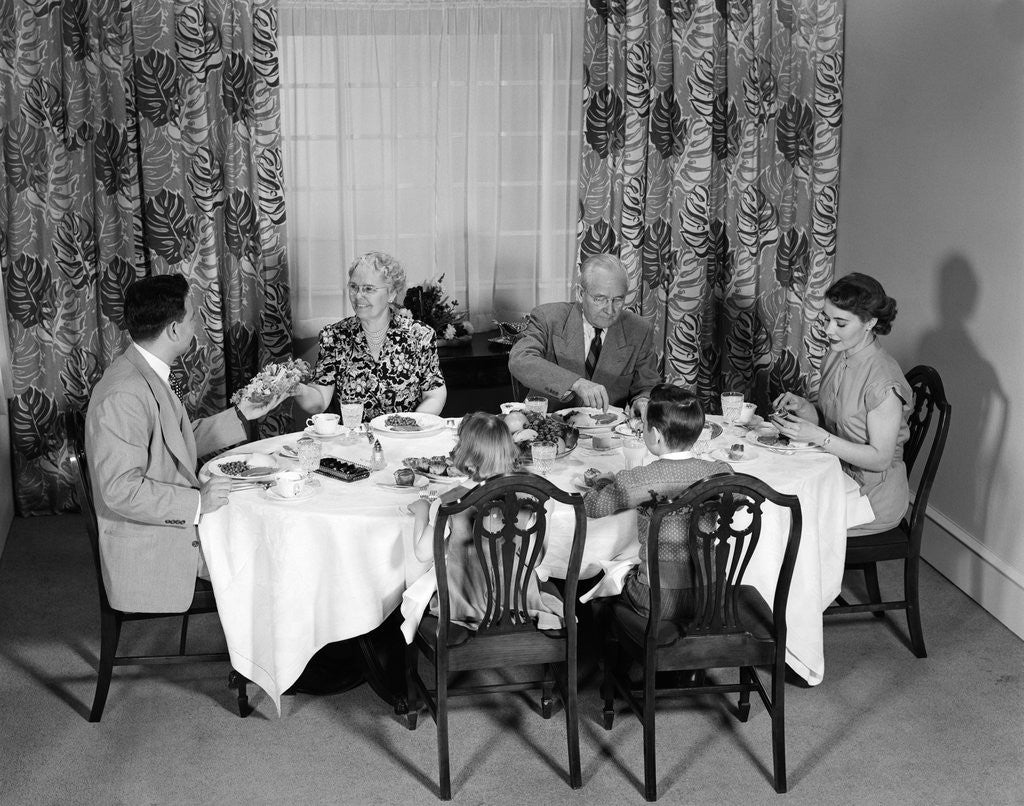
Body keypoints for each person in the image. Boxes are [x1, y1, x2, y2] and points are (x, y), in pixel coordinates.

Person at [85, 274, 286, 613]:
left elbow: (175, 438)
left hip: (167, 523)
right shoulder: (124, 394)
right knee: (275, 557)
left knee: (272, 536)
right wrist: (196, 503)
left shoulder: (143, 370)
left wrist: (241, 413)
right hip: (155, 547)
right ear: (174, 330)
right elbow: (119, 489)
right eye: (193, 317)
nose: (197, 325)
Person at [772, 272, 913, 535]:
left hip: (871, 496)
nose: (828, 330)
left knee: (780, 524)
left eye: (840, 323)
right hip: (836, 473)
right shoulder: (837, 354)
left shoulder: (883, 382)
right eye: (826, 319)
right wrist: (805, 408)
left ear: (870, 323)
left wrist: (820, 437)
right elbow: (835, 421)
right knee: (766, 504)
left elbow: (880, 459)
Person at [583, 384, 732, 621]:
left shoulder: (636, 480)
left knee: (605, 580)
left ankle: (605, 648)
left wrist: (602, 483)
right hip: (710, 595)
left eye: (644, 426)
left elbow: (592, 507)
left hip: (653, 599)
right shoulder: (720, 472)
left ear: (656, 435)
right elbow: (743, 498)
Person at [406, 412, 562, 630]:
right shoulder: (535, 498)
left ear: (466, 455)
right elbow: (535, 561)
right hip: (516, 602)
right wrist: (549, 515)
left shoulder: (448, 502)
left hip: (465, 604)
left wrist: (423, 510)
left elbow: (422, 554)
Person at [292, 251, 447, 419]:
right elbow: (319, 400)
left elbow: (435, 395)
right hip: (353, 442)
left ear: (392, 293)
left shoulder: (419, 335)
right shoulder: (335, 336)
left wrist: (410, 425)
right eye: (353, 287)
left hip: (405, 440)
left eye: (368, 289)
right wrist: (297, 389)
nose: (358, 296)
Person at [508, 253, 660, 417]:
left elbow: (647, 386)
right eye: (600, 299)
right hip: (548, 426)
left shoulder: (639, 330)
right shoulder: (548, 318)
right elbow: (520, 359)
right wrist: (575, 383)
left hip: (607, 433)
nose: (610, 310)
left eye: (618, 299)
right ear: (581, 294)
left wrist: (643, 400)